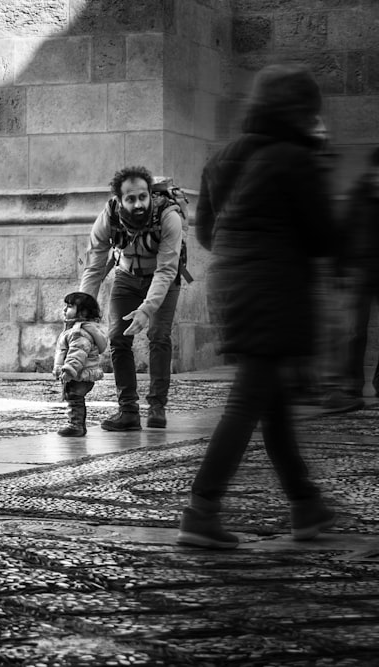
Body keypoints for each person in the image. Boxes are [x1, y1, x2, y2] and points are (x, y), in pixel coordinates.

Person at [176, 63, 337, 550]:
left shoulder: (223, 156)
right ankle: (201, 509)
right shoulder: (294, 157)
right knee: (249, 401)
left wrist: (239, 249)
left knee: (272, 402)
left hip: (235, 284)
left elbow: (204, 229)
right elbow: (322, 235)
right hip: (274, 288)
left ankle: (305, 503)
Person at [79, 166, 184, 431]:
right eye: (130, 199)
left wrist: (147, 309)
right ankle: (128, 411)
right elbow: (94, 266)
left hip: (162, 280)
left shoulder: (169, 217)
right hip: (126, 277)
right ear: (119, 200)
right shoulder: (109, 216)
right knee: (117, 338)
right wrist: (81, 315)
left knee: (159, 336)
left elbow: (167, 270)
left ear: (150, 195)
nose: (138, 204)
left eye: (142, 197)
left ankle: (157, 407)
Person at [325, 147, 379, 406]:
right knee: (356, 331)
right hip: (362, 269)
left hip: (365, 267)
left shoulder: (360, 194)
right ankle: (353, 384)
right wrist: (339, 267)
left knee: (356, 331)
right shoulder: (360, 195)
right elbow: (344, 231)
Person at [52, 292, 107, 437]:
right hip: (80, 372)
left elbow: (77, 353)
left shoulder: (78, 333)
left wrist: (69, 370)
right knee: (75, 398)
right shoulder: (76, 330)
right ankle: (77, 424)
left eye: (69, 306)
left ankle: (76, 425)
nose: (64, 309)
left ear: (82, 313)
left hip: (78, 373)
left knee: (74, 398)